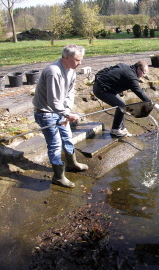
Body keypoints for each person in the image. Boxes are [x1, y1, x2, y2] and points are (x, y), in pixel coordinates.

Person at [32, 44, 88, 188]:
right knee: (55, 144)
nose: (80, 63)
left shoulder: (71, 70)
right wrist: (67, 114)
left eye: (81, 60)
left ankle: (72, 163)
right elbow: (53, 101)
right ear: (67, 57)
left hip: (61, 111)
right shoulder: (53, 71)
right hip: (45, 113)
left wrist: (66, 112)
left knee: (67, 136)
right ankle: (58, 176)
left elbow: (70, 94)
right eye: (77, 60)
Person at [93, 61, 159, 137]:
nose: (143, 75)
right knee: (121, 106)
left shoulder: (123, 65)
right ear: (138, 68)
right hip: (101, 90)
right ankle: (115, 130)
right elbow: (140, 93)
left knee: (122, 104)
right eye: (143, 73)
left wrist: (97, 77)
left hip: (107, 88)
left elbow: (107, 69)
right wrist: (155, 105)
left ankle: (122, 129)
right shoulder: (131, 77)